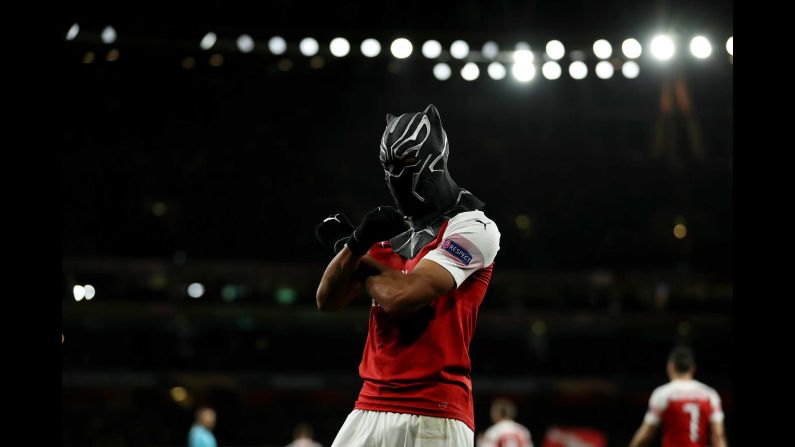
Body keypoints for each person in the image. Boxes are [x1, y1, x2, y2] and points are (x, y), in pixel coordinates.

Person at [315, 104, 501, 446]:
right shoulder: (385, 238)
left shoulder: (474, 227)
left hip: (436, 410)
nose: (396, 176)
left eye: (407, 164)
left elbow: (403, 298)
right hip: (368, 404)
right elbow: (326, 300)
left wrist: (356, 254)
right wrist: (355, 244)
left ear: (436, 158)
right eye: (389, 167)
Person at [629, 346, 728, 447]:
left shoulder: (663, 394)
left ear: (670, 366)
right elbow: (718, 436)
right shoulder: (710, 394)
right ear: (693, 368)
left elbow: (646, 435)